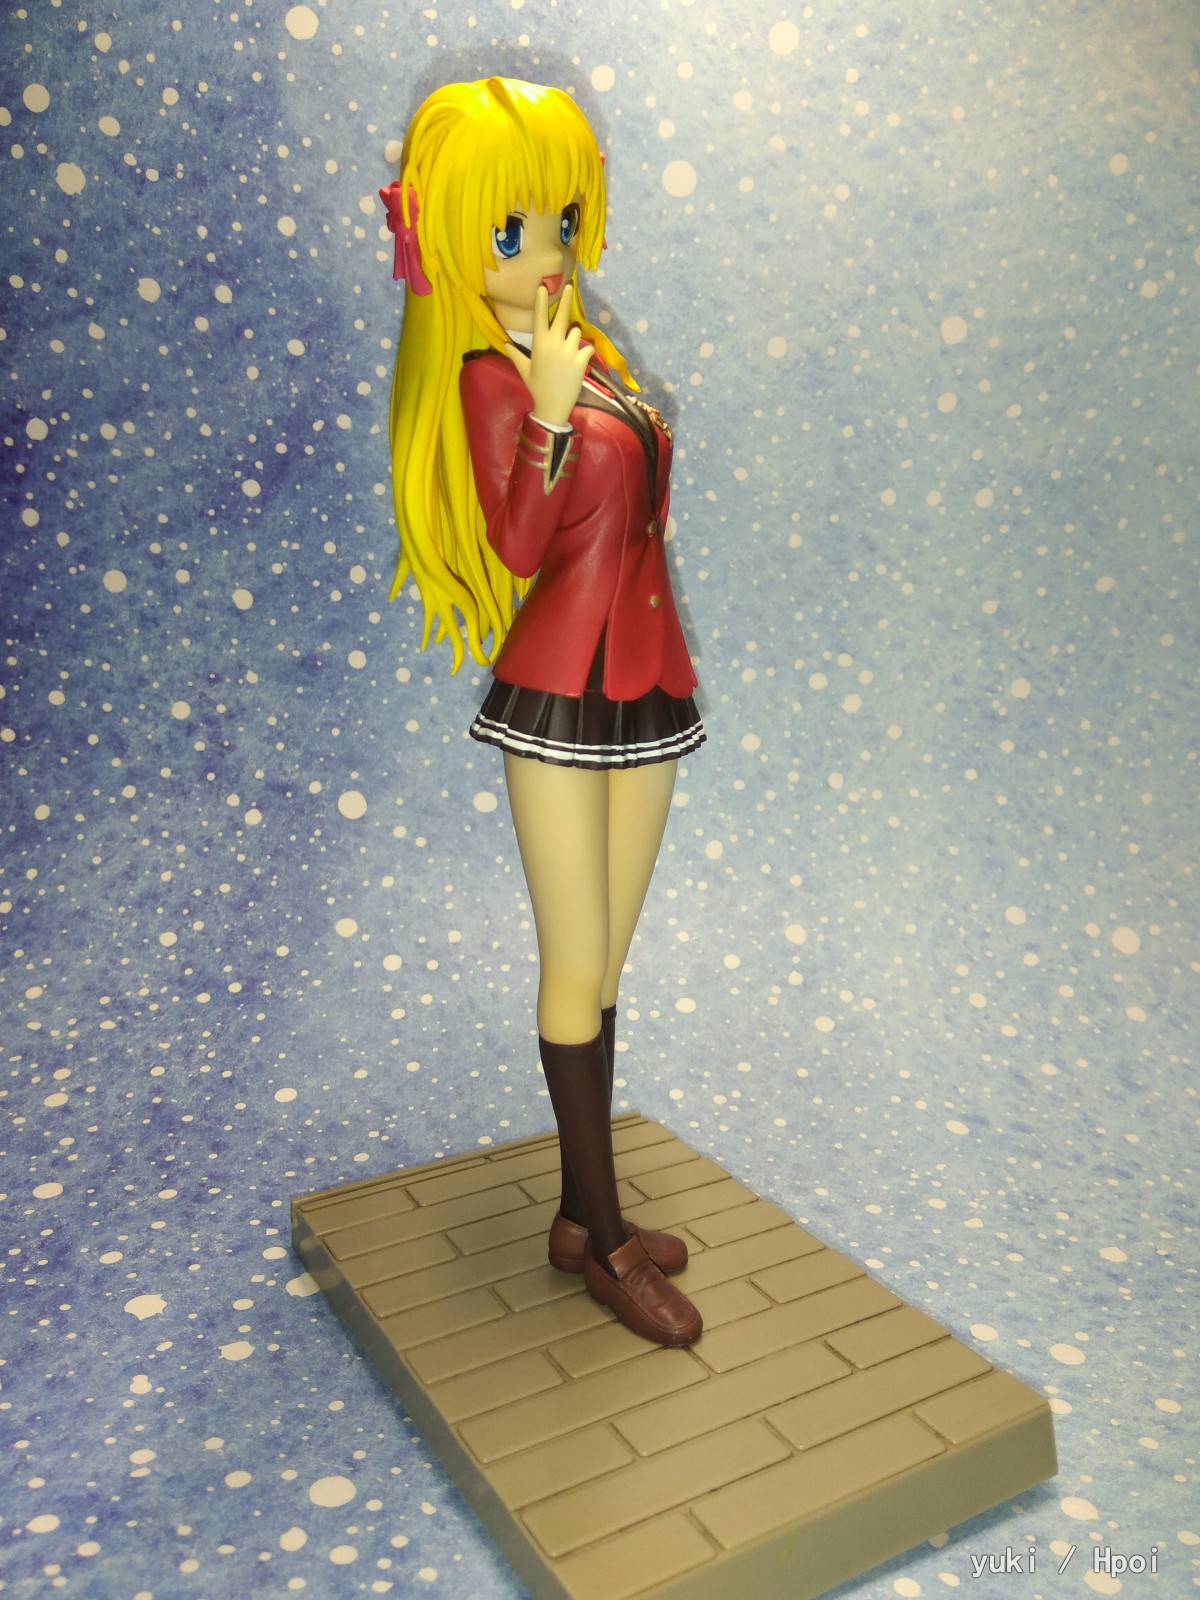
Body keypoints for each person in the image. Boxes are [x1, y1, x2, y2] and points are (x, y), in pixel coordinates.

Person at [381, 76, 704, 1346]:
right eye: (511, 230)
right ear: (452, 238)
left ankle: (581, 1210)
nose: (547, 251)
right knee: (574, 963)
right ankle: (605, 1243)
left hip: (650, 680)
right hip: (562, 692)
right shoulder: (490, 375)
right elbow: (520, 544)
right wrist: (555, 416)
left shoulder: (577, 342)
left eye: (560, 220)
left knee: (609, 960)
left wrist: (580, 390)